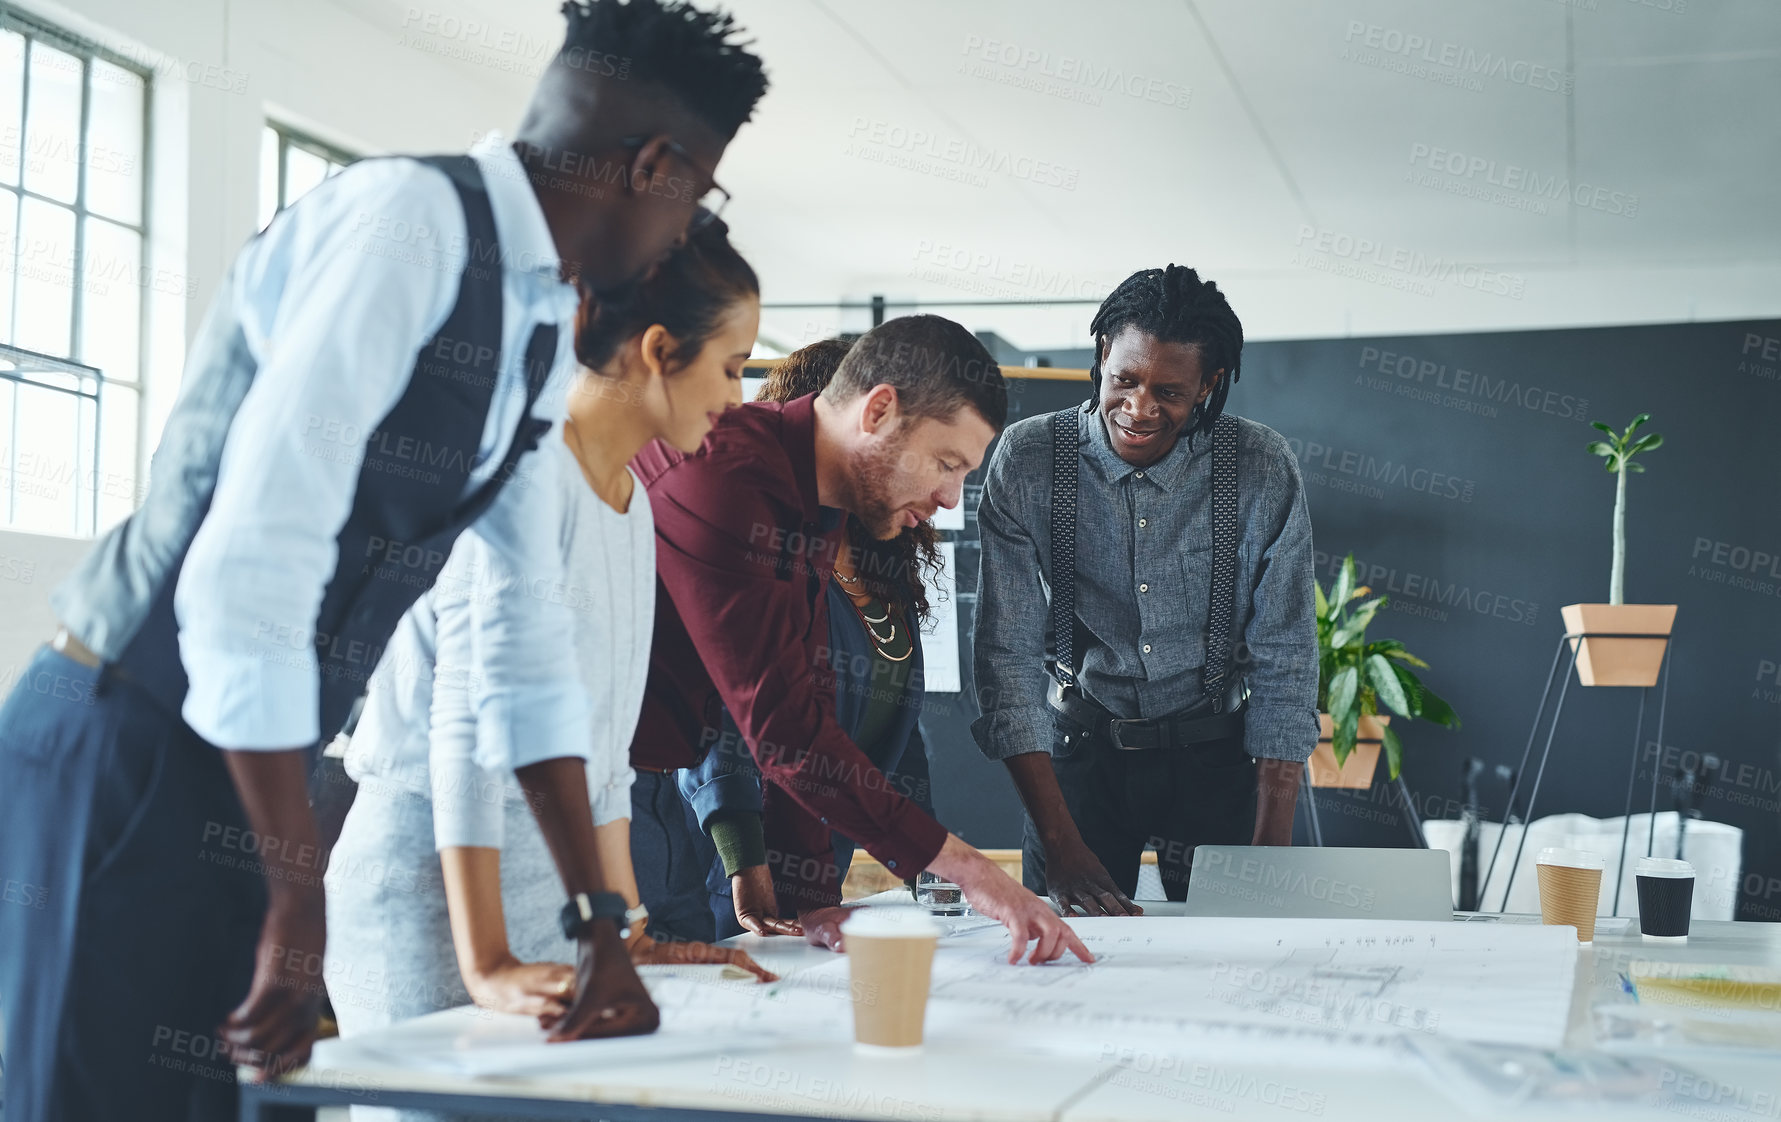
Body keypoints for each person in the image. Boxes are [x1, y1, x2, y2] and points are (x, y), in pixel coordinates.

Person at [0, 2, 768, 1118]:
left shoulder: (535, 320)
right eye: (700, 197)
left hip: (249, 765)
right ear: (654, 167)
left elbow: (520, 635)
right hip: (129, 734)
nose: (685, 230)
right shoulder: (409, 224)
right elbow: (246, 576)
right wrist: (296, 896)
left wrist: (603, 921)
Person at [325, 217, 769, 1122]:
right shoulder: (528, 473)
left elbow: (600, 755)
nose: (737, 394)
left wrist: (625, 929)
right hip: (431, 899)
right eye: (731, 365)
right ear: (657, 351)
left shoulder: (629, 506)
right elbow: (467, 726)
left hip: (553, 907)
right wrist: (483, 955)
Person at [632, 314, 1091, 964]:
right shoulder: (728, 479)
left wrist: (811, 893)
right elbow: (783, 729)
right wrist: (970, 869)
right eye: (945, 462)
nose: (948, 497)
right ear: (877, 411)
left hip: (648, 788)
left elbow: (805, 701)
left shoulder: (815, 501)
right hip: (600, 795)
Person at [973, 264, 1319, 915]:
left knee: (1234, 960)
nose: (1138, 409)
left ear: (1209, 385)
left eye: (1169, 391)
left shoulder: (1259, 466)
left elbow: (1286, 652)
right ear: (1102, 353)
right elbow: (1006, 656)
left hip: (1215, 758)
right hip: (1080, 758)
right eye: (1123, 380)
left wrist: (1269, 846)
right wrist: (1059, 843)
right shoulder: (1028, 460)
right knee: (1069, 969)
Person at [677, 338, 942, 940]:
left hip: (822, 863)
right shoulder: (758, 536)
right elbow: (724, 704)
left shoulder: (881, 552)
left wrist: (931, 866)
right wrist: (743, 856)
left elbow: (897, 725)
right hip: (734, 868)